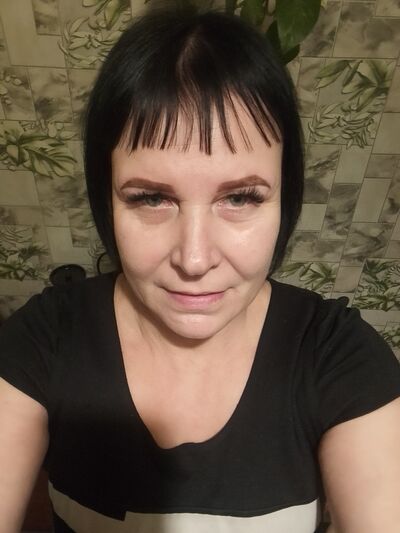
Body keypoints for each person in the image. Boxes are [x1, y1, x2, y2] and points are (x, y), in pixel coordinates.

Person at [1, 8, 400, 533]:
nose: (194, 260)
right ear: (107, 200)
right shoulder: (44, 340)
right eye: (150, 198)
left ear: (285, 198)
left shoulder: (337, 358)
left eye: (240, 197)